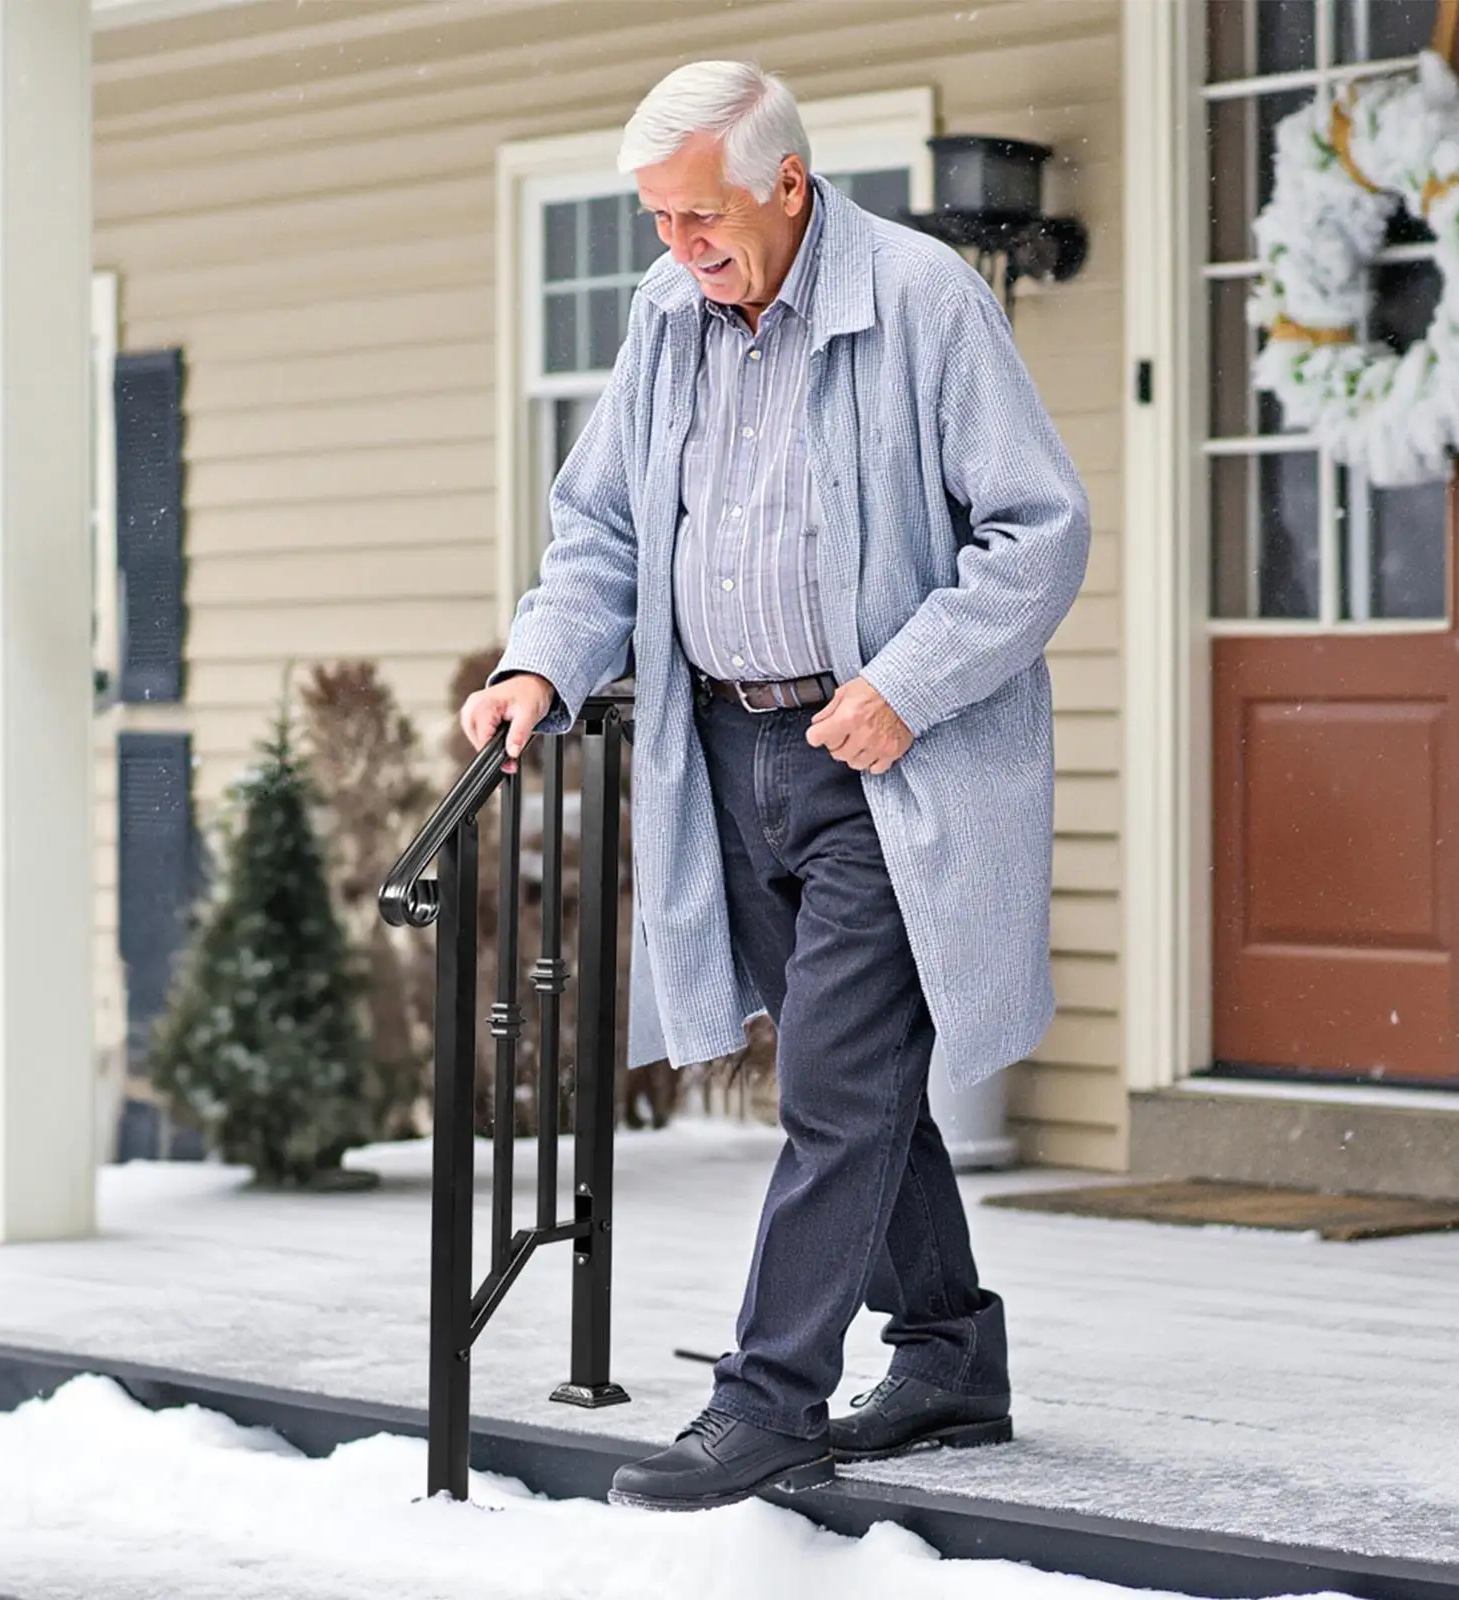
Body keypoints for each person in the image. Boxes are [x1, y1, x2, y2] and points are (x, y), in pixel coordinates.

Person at [462, 60, 1089, 1512]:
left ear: (789, 184)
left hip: (889, 761)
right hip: (732, 753)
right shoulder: (668, 319)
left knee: (830, 1087)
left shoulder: (927, 301)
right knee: (854, 1084)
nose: (676, 248)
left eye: (698, 216)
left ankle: (770, 1401)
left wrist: (906, 686)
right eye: (659, 222)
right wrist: (539, 666)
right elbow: (603, 529)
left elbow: (1037, 533)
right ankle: (947, 1353)